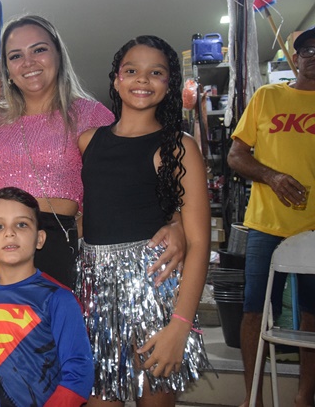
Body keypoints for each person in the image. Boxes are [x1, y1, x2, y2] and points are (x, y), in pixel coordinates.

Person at [0, 14, 187, 329]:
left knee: (45, 355)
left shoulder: (90, 114)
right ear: (8, 69)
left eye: (39, 50)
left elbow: (135, 176)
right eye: (16, 56)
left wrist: (176, 221)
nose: (28, 62)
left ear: (58, 54)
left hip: (54, 247)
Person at [75, 35, 211, 406]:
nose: (142, 80)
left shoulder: (179, 145)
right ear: (116, 79)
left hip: (152, 289)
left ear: (169, 84)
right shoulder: (87, 141)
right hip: (94, 291)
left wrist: (180, 326)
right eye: (132, 70)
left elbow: (199, 242)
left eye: (156, 73)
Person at [227, 26, 315, 407]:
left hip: (314, 229)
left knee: (312, 316)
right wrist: (272, 176)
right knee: (254, 313)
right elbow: (235, 156)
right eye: (307, 50)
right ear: (295, 59)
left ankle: (304, 397)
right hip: (266, 225)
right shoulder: (267, 97)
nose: (314, 56)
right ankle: (253, 399)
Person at [0, 187, 94, 406]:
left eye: (21, 224)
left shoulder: (59, 299)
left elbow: (79, 374)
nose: (10, 233)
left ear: (40, 238)